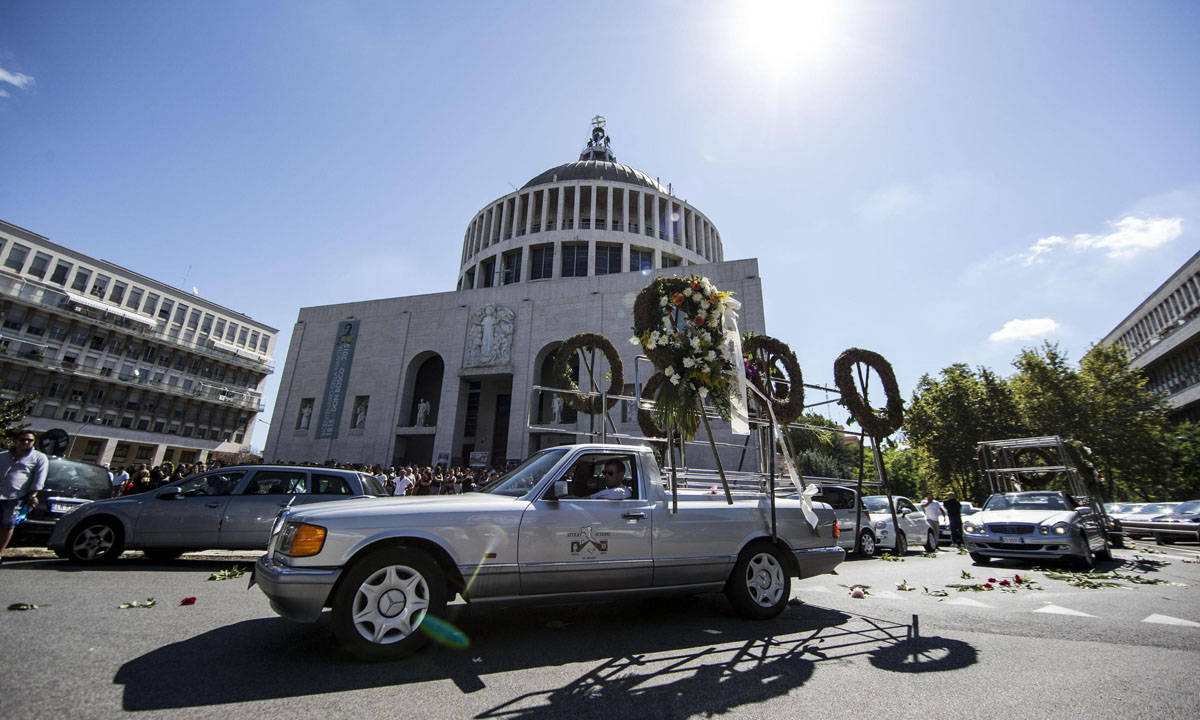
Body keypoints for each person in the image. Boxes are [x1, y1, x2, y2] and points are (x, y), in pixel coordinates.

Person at [0, 430, 49, 565]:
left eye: (30, 440)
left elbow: (39, 478)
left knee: (7, 525)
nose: (26, 442)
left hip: (15, 496)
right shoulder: (3, 455)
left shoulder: (39, 458)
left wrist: (33, 495)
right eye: (23, 439)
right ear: (15, 440)